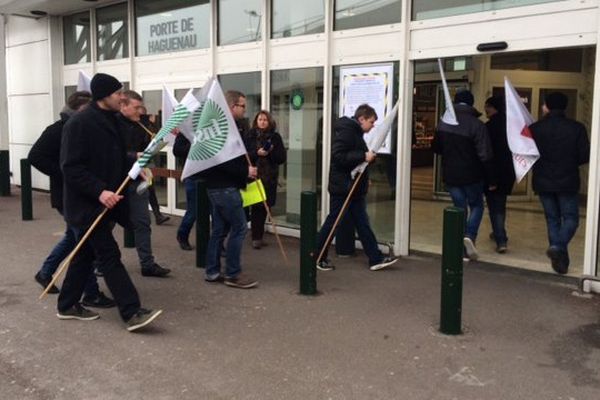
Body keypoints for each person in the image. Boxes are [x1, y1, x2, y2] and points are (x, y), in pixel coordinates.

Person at [59, 72, 162, 331]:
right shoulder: (80, 123)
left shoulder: (113, 120)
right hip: (87, 204)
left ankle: (67, 305)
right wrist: (99, 192)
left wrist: (136, 161)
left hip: (107, 202)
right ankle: (131, 312)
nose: (122, 97)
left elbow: (113, 157)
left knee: (84, 255)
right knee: (109, 255)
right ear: (105, 95)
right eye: (118, 93)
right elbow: (70, 168)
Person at [28, 91, 115, 308]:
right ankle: (91, 293)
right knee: (83, 244)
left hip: (80, 195)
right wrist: (64, 172)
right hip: (66, 196)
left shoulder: (82, 128)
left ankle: (45, 272)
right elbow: (35, 156)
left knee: (73, 238)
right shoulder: (59, 129)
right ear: (80, 109)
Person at [315, 104, 398, 272]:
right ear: (361, 119)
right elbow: (338, 156)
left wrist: (365, 172)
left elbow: (355, 160)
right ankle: (317, 255)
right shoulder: (348, 132)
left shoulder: (355, 132)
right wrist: (363, 156)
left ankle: (375, 258)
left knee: (362, 223)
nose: (373, 125)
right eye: (371, 121)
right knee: (334, 222)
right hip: (343, 187)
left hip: (353, 186)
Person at [530, 92, 590, 274]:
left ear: (547, 106)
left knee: (552, 219)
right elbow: (584, 155)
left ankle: (559, 257)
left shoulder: (535, 128)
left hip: (542, 180)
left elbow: (528, 154)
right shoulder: (577, 128)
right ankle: (558, 251)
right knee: (571, 218)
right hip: (568, 180)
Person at [432, 90, 494, 261]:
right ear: (471, 103)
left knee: (459, 208)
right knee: (477, 205)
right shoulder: (477, 125)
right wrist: (491, 178)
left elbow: (436, 148)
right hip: (473, 175)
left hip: (451, 174)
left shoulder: (444, 122)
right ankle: (469, 235)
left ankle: (460, 249)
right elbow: (485, 154)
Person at [118, 90, 171, 277]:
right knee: (105, 226)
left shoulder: (140, 124)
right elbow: (107, 153)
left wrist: (155, 143)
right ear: (123, 106)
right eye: (136, 107)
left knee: (143, 222)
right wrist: (133, 155)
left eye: (141, 107)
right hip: (114, 182)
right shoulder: (112, 124)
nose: (140, 111)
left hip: (136, 180)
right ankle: (100, 264)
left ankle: (147, 264)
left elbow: (147, 146)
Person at [245, 110, 286, 249]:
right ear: (256, 121)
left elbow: (281, 158)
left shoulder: (275, 137)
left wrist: (270, 153)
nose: (262, 122)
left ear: (269, 122)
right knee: (256, 208)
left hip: (269, 179)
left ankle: (259, 236)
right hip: (254, 178)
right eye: (260, 119)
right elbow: (244, 156)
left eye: (265, 120)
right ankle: (256, 237)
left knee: (265, 207)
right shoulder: (250, 136)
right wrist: (257, 153)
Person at [483, 95, 515, 254]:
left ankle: (501, 239)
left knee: (494, 206)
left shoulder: (488, 127)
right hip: (508, 171)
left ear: (493, 107)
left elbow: (486, 153)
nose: (485, 110)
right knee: (500, 205)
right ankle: (498, 232)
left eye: (487, 106)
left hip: (492, 171)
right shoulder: (511, 126)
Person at [139, 106, 170, 225]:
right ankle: (157, 215)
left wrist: (153, 126)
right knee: (146, 189)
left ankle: (157, 214)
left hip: (146, 161)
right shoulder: (137, 127)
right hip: (138, 161)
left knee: (150, 188)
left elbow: (156, 136)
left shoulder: (147, 126)